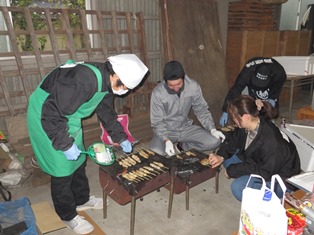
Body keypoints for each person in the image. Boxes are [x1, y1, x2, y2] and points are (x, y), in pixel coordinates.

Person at [26, 54, 148, 234]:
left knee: (78, 161)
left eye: (127, 88)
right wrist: (65, 144)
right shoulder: (83, 80)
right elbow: (51, 115)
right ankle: (67, 215)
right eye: (121, 85)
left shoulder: (107, 83)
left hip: (68, 116)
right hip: (46, 117)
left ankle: (81, 200)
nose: (122, 90)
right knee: (62, 170)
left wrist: (121, 137)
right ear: (114, 73)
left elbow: (106, 112)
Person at [209, 95, 301, 201]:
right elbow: (233, 139)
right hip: (260, 162)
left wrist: (234, 170)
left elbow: (264, 171)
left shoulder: (271, 141)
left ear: (246, 117)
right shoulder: (251, 122)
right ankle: (248, 179)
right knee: (227, 159)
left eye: (234, 117)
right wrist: (220, 155)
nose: (233, 120)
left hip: (279, 178)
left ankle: (271, 201)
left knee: (238, 187)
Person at [149, 60, 225, 156]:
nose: (176, 88)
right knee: (156, 152)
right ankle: (168, 144)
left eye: (179, 84)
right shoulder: (158, 93)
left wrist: (212, 129)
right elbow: (157, 121)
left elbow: (201, 109)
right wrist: (166, 140)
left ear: (183, 78)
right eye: (171, 85)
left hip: (185, 127)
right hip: (167, 130)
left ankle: (183, 146)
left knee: (214, 142)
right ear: (165, 81)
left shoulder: (193, 86)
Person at [219, 57, 287, 127]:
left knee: (269, 112)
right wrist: (226, 110)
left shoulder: (279, 73)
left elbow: (276, 89)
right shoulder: (247, 72)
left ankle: (268, 125)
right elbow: (235, 90)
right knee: (251, 108)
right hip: (251, 86)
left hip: (270, 87)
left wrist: (272, 99)